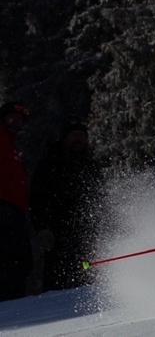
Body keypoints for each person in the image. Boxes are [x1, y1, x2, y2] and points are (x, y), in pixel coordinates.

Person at [30, 119, 106, 291]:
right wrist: (41, 227)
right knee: (57, 279)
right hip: (57, 232)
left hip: (87, 232)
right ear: (65, 138)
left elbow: (101, 199)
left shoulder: (91, 166)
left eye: (81, 136)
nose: (78, 139)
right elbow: (37, 198)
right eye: (74, 135)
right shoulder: (50, 164)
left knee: (86, 276)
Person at [0, 101, 33, 301]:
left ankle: (14, 304)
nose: (17, 122)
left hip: (14, 209)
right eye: (12, 117)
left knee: (20, 261)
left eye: (20, 119)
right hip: (3, 207)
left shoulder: (11, 144)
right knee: (11, 262)